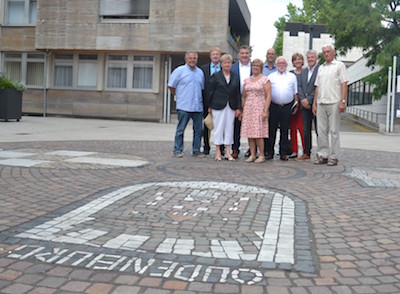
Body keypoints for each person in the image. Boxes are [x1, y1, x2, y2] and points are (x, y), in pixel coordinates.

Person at [313, 44, 349, 166]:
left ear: (333, 52)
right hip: (321, 102)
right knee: (321, 131)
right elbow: (317, 86)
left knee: (334, 131)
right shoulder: (321, 68)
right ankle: (322, 155)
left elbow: (344, 84)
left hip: (334, 102)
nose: (326, 54)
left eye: (328, 51)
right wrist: (314, 104)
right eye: (324, 52)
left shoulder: (339, 66)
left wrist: (342, 101)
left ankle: (334, 156)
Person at [168, 51, 205, 158]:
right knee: (181, 129)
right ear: (186, 59)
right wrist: (179, 95)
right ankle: (178, 149)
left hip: (197, 106)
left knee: (198, 130)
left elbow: (201, 88)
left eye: (194, 58)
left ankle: (196, 150)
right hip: (184, 106)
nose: (192, 60)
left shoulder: (200, 72)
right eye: (190, 58)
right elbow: (171, 86)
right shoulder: (179, 71)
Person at [207, 54, 241, 161]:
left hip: (231, 106)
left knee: (229, 128)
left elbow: (237, 93)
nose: (227, 64)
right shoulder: (216, 76)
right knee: (219, 128)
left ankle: (227, 152)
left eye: (229, 62)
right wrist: (210, 106)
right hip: (218, 105)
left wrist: (239, 108)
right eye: (225, 62)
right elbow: (210, 92)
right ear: (221, 64)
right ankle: (218, 152)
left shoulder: (235, 76)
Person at [267, 56, 298, 161]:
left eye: (283, 63)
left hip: (287, 106)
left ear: (286, 65)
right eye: (279, 63)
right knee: (272, 130)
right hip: (273, 106)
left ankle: (283, 152)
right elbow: (267, 92)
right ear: (276, 65)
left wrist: (296, 104)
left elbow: (295, 92)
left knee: (285, 131)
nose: (281, 65)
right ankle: (269, 152)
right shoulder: (271, 76)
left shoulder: (292, 76)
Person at [240, 59, 272, 163]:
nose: (255, 67)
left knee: (258, 133)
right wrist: (244, 108)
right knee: (250, 133)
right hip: (249, 109)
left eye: (258, 66)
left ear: (261, 67)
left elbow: (268, 96)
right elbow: (244, 96)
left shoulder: (265, 80)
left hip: (259, 108)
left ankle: (261, 155)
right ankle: (252, 154)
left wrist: (265, 110)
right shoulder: (247, 80)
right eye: (254, 65)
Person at [296, 49, 319, 161]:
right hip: (304, 106)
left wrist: (309, 100)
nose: (310, 59)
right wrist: (302, 100)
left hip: (316, 105)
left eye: (312, 57)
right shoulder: (304, 72)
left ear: (316, 58)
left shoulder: (320, 70)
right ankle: (306, 152)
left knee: (319, 130)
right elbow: (299, 86)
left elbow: (319, 87)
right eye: (308, 57)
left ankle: (321, 153)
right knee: (306, 130)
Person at [230, 45, 252, 159]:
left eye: (246, 53)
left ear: (249, 55)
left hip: (252, 102)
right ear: (239, 55)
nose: (244, 55)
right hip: (236, 101)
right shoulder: (232, 68)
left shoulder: (255, 67)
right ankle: (235, 149)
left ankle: (251, 149)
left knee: (251, 127)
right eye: (242, 53)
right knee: (236, 127)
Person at [200, 47, 222, 155]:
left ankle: (221, 148)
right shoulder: (203, 69)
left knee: (220, 125)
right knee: (206, 125)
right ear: (210, 56)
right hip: (206, 101)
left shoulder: (224, 68)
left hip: (220, 102)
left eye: (217, 54)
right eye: (213, 55)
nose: (215, 56)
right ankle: (206, 146)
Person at [261, 48, 278, 158]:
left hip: (274, 102)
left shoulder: (279, 68)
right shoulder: (262, 68)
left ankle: (270, 150)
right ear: (266, 55)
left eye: (272, 54)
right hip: (261, 101)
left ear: (275, 56)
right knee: (261, 126)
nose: (270, 56)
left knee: (272, 127)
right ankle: (261, 149)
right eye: (269, 54)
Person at [289, 53, 305, 159]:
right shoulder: (290, 73)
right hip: (292, 104)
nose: (297, 61)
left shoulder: (306, 72)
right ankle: (294, 150)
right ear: (293, 62)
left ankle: (305, 150)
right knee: (292, 128)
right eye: (295, 60)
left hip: (303, 104)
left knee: (303, 129)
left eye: (299, 59)